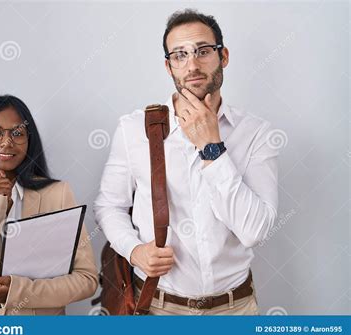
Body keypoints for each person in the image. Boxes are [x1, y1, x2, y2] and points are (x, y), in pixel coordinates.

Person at [94, 9, 279, 315]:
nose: (192, 65)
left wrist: (212, 148)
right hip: (157, 308)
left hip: (236, 310)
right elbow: (109, 205)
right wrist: (133, 250)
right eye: (180, 55)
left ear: (224, 56)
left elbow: (255, 231)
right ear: (169, 66)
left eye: (203, 51)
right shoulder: (133, 128)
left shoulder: (256, 133)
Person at [0, 95, 97, 315]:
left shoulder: (58, 193)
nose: (6, 142)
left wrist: (19, 291)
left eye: (17, 133)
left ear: (29, 140)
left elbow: (86, 280)